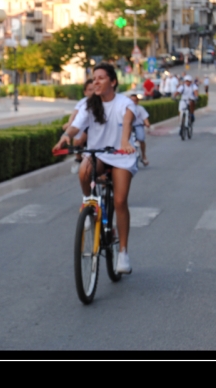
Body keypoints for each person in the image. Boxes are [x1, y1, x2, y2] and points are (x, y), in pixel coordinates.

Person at [53, 63, 137, 274]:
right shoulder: (90, 105)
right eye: (94, 78)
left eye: (101, 78)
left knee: (119, 201)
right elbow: (76, 126)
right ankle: (88, 202)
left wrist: (125, 142)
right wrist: (65, 137)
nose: (96, 82)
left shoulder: (124, 103)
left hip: (121, 155)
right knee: (84, 169)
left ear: (113, 82)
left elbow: (127, 122)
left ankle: (123, 253)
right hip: (98, 153)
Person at [63, 78, 94, 174]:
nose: (92, 92)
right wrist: (69, 126)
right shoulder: (82, 103)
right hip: (84, 127)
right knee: (76, 139)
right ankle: (78, 159)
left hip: (95, 129)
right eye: (89, 90)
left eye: (94, 89)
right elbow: (74, 115)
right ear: (85, 92)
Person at [130, 94, 151, 166]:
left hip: (138, 126)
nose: (133, 102)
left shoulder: (140, 108)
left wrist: (147, 123)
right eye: (131, 100)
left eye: (135, 100)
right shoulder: (126, 109)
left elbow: (145, 117)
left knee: (141, 139)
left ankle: (143, 155)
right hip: (128, 127)